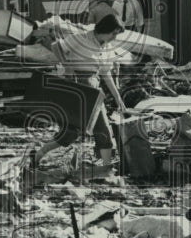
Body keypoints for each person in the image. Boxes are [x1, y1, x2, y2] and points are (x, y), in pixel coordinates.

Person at [30, 13, 133, 171]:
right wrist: (67, 66)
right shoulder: (81, 38)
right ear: (105, 29)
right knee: (80, 130)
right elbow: (57, 46)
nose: (114, 37)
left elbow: (106, 74)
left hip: (93, 88)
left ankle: (37, 156)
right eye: (113, 33)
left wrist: (119, 99)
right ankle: (106, 168)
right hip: (76, 86)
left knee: (83, 130)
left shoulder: (106, 47)